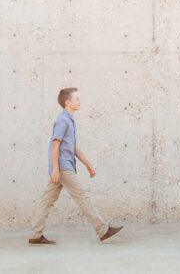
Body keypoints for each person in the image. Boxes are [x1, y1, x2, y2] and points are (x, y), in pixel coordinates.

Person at [27, 87, 123, 245]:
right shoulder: (63, 120)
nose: (79, 101)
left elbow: (73, 147)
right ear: (68, 102)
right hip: (63, 167)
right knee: (82, 197)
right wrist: (56, 169)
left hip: (63, 166)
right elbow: (55, 144)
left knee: (47, 200)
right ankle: (102, 230)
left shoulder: (70, 120)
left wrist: (87, 164)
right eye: (77, 98)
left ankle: (35, 235)